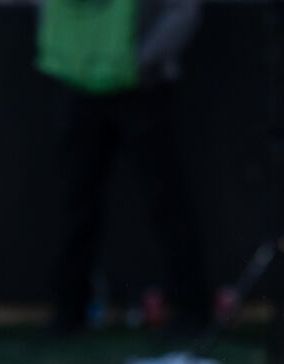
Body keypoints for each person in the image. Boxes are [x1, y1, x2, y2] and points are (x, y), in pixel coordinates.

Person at [37, 0, 210, 336]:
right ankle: (69, 310)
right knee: (75, 204)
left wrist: (140, 61)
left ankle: (192, 309)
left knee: (166, 203)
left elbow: (183, 11)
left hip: (143, 89)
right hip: (78, 88)